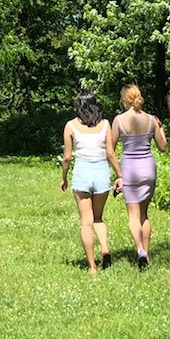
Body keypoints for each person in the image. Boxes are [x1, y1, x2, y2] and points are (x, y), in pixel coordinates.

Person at [60, 90, 120, 272]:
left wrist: (63, 177)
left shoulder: (70, 126)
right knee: (98, 218)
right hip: (101, 172)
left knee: (86, 222)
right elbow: (110, 153)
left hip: (82, 172)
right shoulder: (105, 124)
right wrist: (120, 174)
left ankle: (93, 267)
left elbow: (67, 157)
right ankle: (105, 248)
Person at [110, 83, 167, 271]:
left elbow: (109, 148)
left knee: (133, 215)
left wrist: (117, 174)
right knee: (144, 214)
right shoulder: (151, 119)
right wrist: (161, 127)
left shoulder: (118, 120)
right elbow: (163, 147)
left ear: (124, 99)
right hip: (148, 169)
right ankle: (147, 255)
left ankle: (140, 250)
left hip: (130, 169)